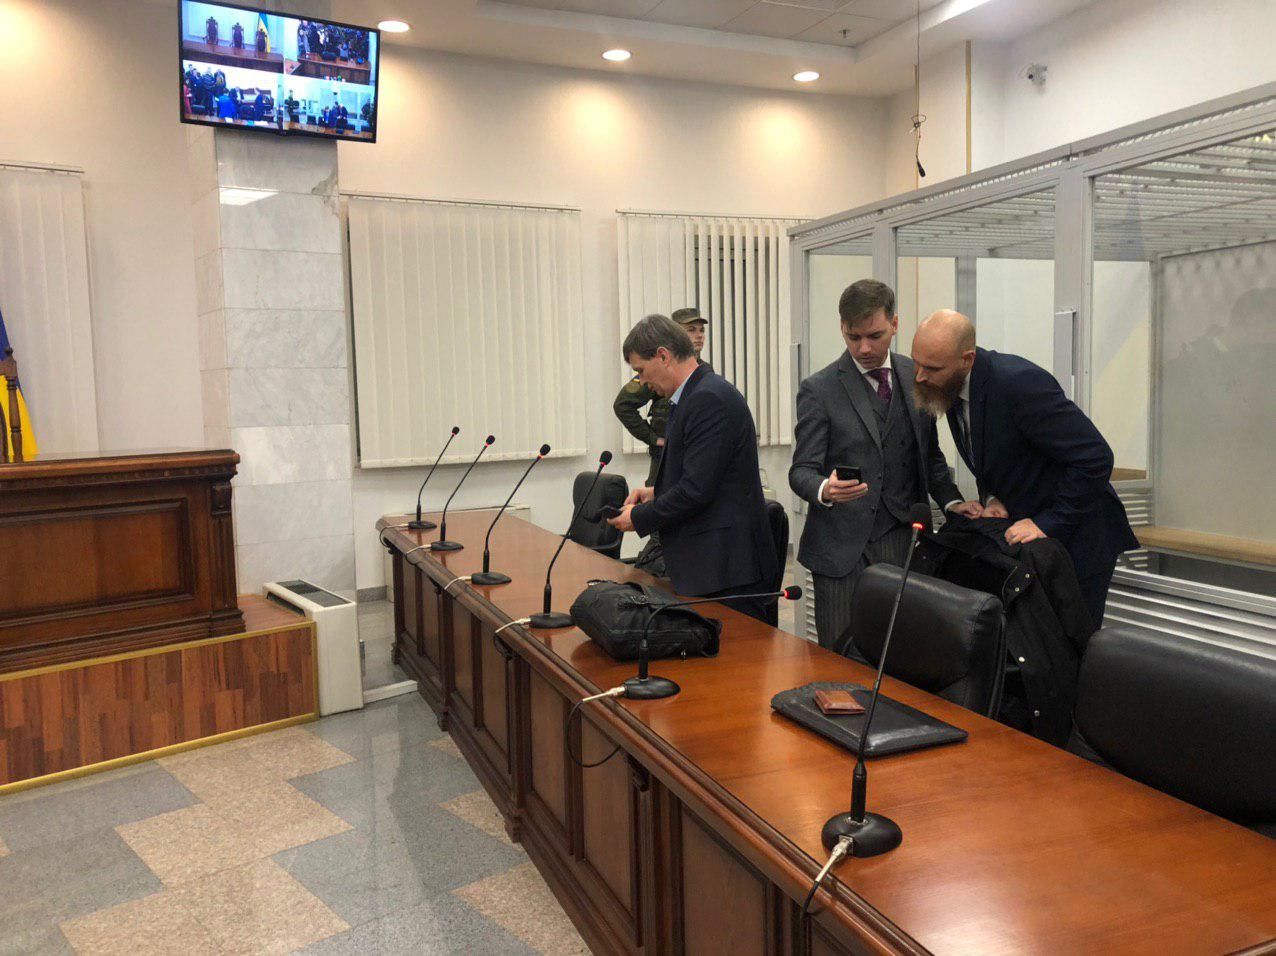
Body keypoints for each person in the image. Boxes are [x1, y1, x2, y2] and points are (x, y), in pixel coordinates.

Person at [911, 309, 1138, 629]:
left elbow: (1095, 457)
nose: (920, 376)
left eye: (932, 368)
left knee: (1068, 647)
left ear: (967, 359)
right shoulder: (950, 385)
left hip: (1080, 537)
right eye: (916, 363)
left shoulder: (1018, 383)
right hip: (1032, 542)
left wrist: (1048, 523)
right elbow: (998, 454)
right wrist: (993, 497)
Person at [789, 280, 969, 652]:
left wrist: (953, 502)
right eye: (853, 337)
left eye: (875, 336)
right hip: (841, 552)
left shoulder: (917, 375)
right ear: (842, 327)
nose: (864, 348)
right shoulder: (819, 389)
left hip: (905, 543)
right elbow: (801, 471)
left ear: (895, 324)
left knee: (905, 654)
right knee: (839, 659)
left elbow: (930, 457)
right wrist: (825, 489)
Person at [608, 315, 779, 624]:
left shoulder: (707, 398)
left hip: (727, 569)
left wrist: (638, 517)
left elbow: (696, 491)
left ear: (663, 356)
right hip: (712, 565)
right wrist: (655, 492)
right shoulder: (692, 395)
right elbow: (704, 475)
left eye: (640, 371)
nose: (641, 382)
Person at [614, 307, 708, 485]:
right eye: (691, 330)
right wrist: (652, 438)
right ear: (674, 334)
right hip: (665, 456)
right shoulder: (658, 371)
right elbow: (623, 405)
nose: (699, 335)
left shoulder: (704, 373)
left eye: (701, 330)